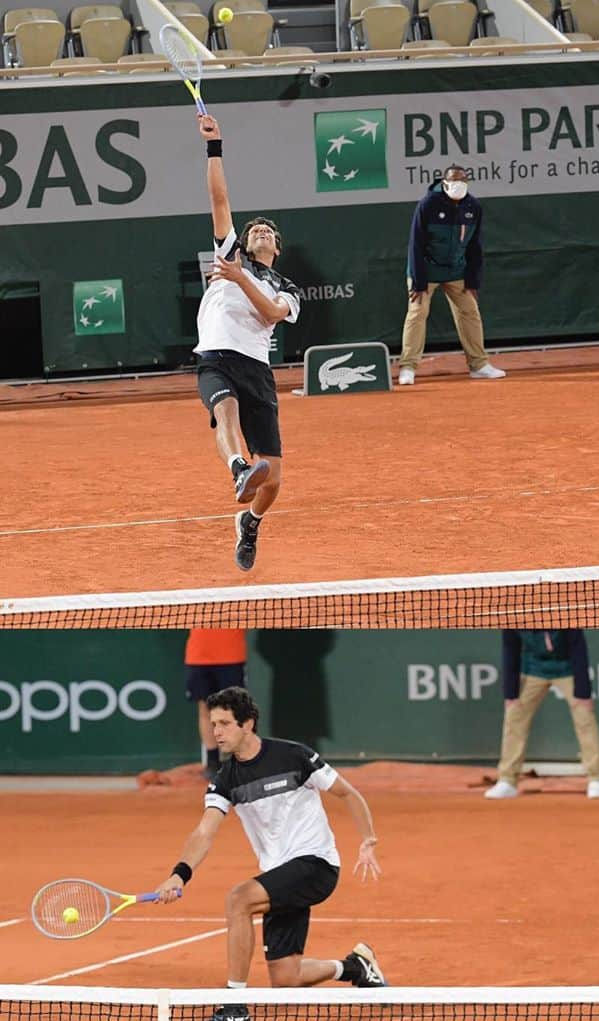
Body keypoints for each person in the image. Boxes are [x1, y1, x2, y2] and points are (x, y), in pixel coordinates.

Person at [152, 687, 386, 1021]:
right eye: (213, 724)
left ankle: (234, 1010)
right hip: (280, 874)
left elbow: (347, 793)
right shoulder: (225, 778)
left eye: (224, 724)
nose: (216, 732)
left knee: (239, 899)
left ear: (247, 724)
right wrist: (179, 875)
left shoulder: (295, 756)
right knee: (285, 978)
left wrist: (368, 840)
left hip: (316, 864)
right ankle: (354, 967)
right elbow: (205, 830)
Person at [193, 114, 301, 572]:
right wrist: (214, 147)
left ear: (276, 246)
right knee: (225, 412)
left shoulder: (286, 287)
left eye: (266, 231)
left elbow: (272, 314)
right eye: (253, 228)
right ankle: (238, 466)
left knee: (273, 480)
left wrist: (239, 277)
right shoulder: (229, 251)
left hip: (257, 368)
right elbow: (220, 198)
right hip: (216, 354)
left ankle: (250, 521)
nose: (258, 230)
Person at [398, 164, 505, 386]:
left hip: (456, 270)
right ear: (444, 183)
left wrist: (472, 279)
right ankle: (408, 368)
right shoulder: (428, 204)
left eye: (463, 180)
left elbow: (476, 245)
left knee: (470, 312)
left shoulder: (473, 206)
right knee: (417, 312)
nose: (459, 185)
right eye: (454, 181)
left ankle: (479, 365)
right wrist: (418, 281)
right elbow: (415, 244)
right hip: (426, 271)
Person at [485, 631, 599, 800]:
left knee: (585, 716)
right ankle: (507, 780)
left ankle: (596, 779)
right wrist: (510, 694)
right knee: (515, 716)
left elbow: (578, 648)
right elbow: (510, 650)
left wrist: (583, 691)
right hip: (533, 670)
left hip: (567, 668)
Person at [184, 628, 248, 777]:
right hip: (198, 655)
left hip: (232, 655)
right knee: (205, 709)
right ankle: (213, 762)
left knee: (234, 710)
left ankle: (239, 759)